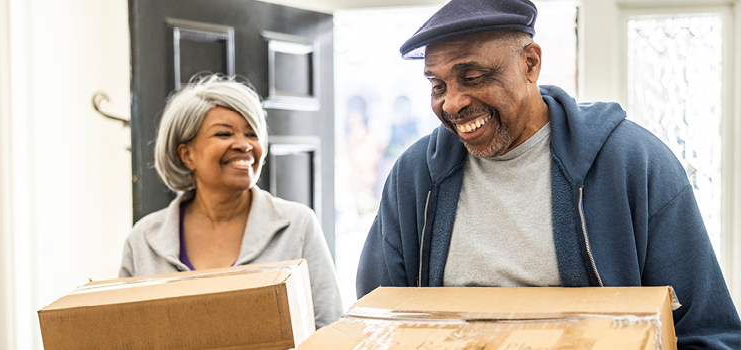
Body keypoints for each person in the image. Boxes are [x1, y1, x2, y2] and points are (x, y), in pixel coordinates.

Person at [355, 0, 741, 348]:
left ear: (530, 63)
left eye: (473, 77)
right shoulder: (414, 176)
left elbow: (708, 334)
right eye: (437, 85)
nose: (452, 103)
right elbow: (376, 322)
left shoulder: (634, 163)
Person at [120, 74, 343, 328]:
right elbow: (124, 331)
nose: (244, 145)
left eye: (252, 134)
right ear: (187, 155)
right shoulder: (143, 239)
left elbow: (331, 327)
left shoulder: (298, 225)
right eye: (224, 134)